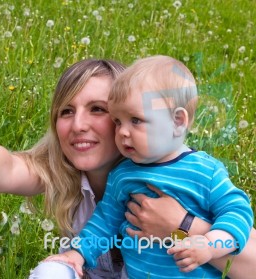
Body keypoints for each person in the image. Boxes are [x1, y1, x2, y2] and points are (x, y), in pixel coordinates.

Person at [0, 59, 256, 279]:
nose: (78, 124)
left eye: (98, 110)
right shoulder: (71, 174)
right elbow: (4, 168)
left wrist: (182, 225)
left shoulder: (190, 171)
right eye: (66, 111)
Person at [43, 56, 254, 278]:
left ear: (178, 121)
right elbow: (105, 221)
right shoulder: (123, 174)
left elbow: (237, 212)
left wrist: (210, 245)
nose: (123, 132)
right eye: (117, 122)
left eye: (135, 120)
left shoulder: (205, 171)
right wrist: (78, 254)